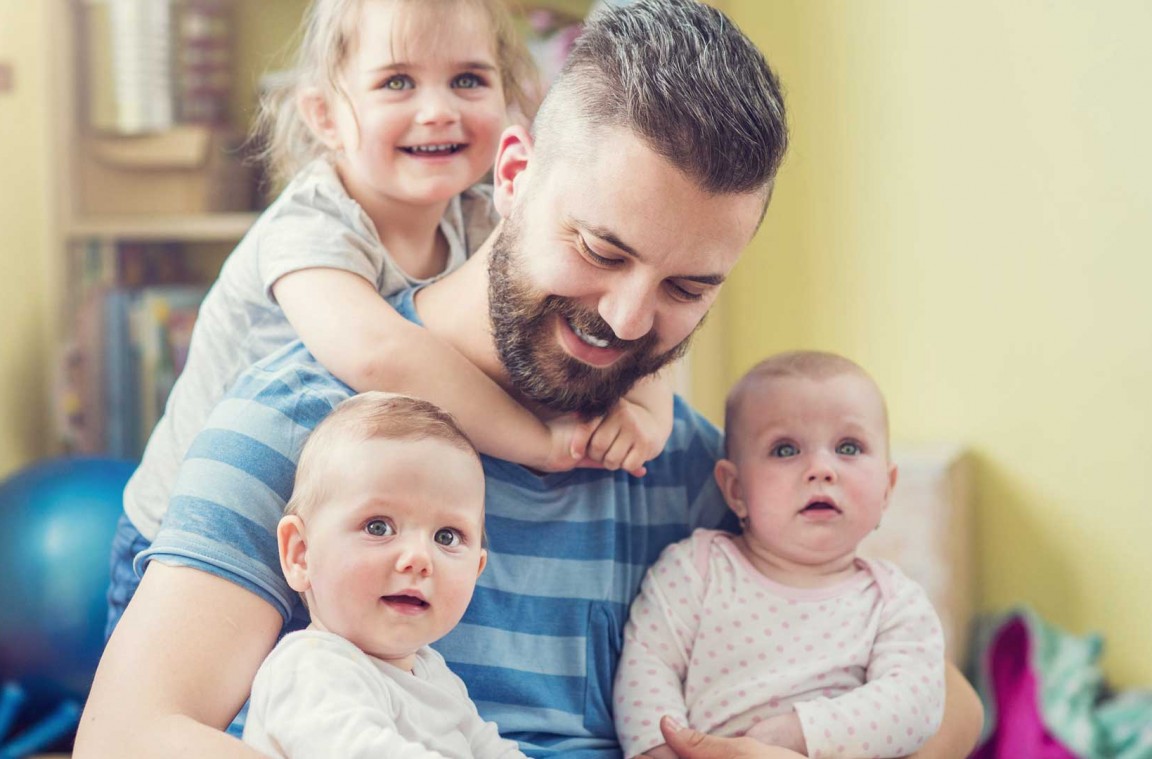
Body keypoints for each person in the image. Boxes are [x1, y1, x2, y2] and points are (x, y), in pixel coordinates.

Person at [76, 2, 982, 757]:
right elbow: (126, 737)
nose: (627, 318)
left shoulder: (679, 467)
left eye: (687, 288)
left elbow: (948, 711)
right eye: (600, 250)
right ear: (512, 173)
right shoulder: (301, 421)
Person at [117, 0, 676, 598]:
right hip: (191, 538)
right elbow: (380, 356)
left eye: (468, 79)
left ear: (509, 100)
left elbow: (600, 298)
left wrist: (648, 413)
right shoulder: (310, 225)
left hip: (333, 528)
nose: (438, 111)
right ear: (325, 115)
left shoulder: (483, 218)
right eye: (397, 82)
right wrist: (538, 444)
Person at [614, 351, 946, 759]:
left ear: (887, 488)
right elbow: (647, 666)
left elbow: (915, 703)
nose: (822, 469)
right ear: (735, 489)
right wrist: (660, 748)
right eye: (786, 450)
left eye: (849, 447)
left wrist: (800, 733)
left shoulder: (894, 602)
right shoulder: (694, 570)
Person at [240, 392, 525, 758]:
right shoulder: (308, 668)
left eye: (446, 537)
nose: (419, 558)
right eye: (378, 527)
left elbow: (492, 751)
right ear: (301, 554)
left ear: (477, 569)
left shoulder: (435, 676)